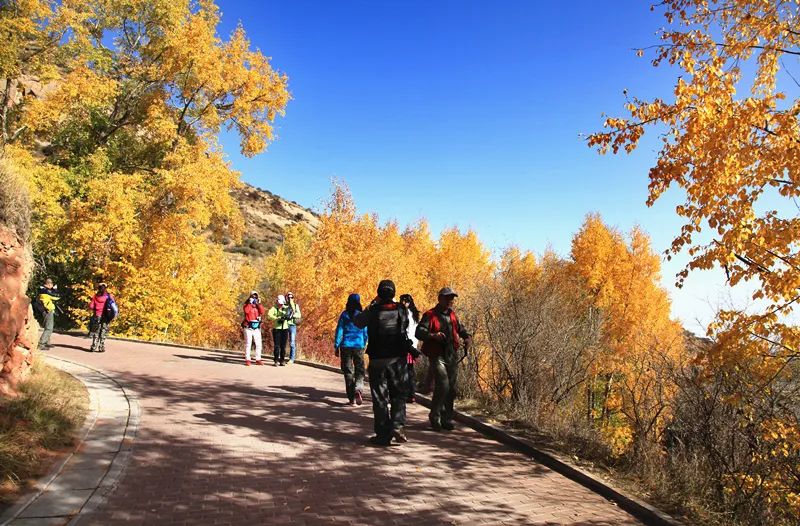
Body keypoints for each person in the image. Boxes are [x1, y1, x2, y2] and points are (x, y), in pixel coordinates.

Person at [354, 279, 413, 446]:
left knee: (380, 398)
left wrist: (373, 303)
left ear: (379, 293)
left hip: (377, 360)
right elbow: (406, 325)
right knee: (398, 395)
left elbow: (357, 322)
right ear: (393, 293)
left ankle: (382, 435)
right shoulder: (401, 309)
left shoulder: (373, 310)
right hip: (398, 360)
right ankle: (398, 426)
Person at [416, 287, 471, 432]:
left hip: (451, 354)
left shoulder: (452, 315)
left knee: (451, 388)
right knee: (443, 384)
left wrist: (467, 337)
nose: (450, 301)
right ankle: (435, 417)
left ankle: (446, 419)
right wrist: (433, 336)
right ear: (440, 298)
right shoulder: (430, 314)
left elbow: (461, 329)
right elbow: (419, 332)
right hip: (436, 355)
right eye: (447, 298)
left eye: (452, 298)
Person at [334, 294, 368, 405]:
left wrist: (336, 345)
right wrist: (364, 343)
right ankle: (358, 388)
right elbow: (365, 332)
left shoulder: (344, 315)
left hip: (346, 346)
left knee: (348, 371)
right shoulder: (362, 315)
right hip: (358, 345)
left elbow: (339, 330)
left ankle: (351, 399)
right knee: (360, 369)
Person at [399, 293, 421, 403]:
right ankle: (411, 394)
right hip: (413, 346)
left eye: (405, 301)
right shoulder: (415, 314)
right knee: (410, 371)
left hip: (405, 345)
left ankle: (405, 393)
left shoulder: (404, 314)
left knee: (403, 371)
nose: (403, 303)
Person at [88, 283, 117, 353]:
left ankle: (93, 347)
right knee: (103, 331)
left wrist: (96, 308)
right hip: (106, 316)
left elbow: (91, 306)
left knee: (96, 331)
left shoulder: (95, 296)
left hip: (97, 315)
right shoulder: (109, 296)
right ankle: (101, 347)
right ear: (105, 289)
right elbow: (113, 306)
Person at [242, 291, 265, 366]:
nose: (254, 298)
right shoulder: (246, 304)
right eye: (253, 296)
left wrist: (259, 303)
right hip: (248, 327)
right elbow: (246, 311)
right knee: (248, 343)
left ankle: (258, 359)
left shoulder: (257, 305)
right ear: (250, 297)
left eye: (256, 296)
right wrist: (250, 303)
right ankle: (247, 359)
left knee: (258, 344)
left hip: (256, 327)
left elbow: (262, 312)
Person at [37, 278, 61, 350]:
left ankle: (47, 342)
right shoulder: (45, 291)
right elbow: (57, 297)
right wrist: (55, 289)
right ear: (49, 284)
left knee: (48, 326)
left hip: (46, 310)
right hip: (47, 310)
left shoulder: (43, 290)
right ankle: (41, 343)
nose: (52, 286)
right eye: (51, 285)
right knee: (49, 327)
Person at [267, 294, 291, 366]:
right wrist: (277, 318)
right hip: (277, 329)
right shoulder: (273, 308)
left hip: (285, 329)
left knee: (283, 346)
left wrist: (286, 316)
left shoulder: (286, 308)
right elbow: (269, 315)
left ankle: (282, 360)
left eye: (281, 303)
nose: (280, 305)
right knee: (277, 345)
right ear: (277, 302)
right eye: (279, 303)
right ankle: (276, 360)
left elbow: (291, 311)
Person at [285, 291, 302, 363]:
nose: (290, 298)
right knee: (283, 342)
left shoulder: (295, 305)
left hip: (292, 325)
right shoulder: (284, 305)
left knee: (292, 342)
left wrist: (292, 315)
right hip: (285, 325)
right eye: (288, 297)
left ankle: (291, 358)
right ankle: (281, 356)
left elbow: (299, 315)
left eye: (291, 297)